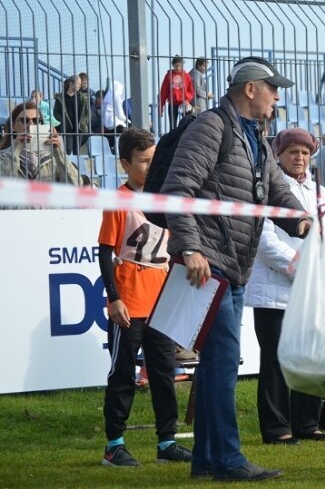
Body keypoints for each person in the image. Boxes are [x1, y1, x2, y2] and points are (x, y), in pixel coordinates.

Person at [160, 56, 310, 482]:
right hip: (210, 262)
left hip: (232, 266)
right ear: (250, 89)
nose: (277, 97)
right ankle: (227, 458)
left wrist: (299, 220)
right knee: (223, 361)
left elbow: (275, 188)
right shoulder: (211, 127)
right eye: (273, 88)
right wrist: (189, 248)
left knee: (215, 364)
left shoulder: (255, 137)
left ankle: (207, 460)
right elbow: (178, 189)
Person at [98, 128, 192, 467]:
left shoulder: (163, 198)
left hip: (161, 298)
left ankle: (167, 442)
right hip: (130, 300)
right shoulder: (120, 200)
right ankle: (114, 445)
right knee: (122, 374)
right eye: (143, 161)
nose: (150, 168)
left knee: (164, 373)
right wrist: (114, 298)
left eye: (154, 160)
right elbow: (105, 252)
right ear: (125, 163)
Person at [244, 127, 325, 445]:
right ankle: (276, 427)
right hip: (275, 290)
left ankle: (307, 423)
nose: (299, 158)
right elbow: (264, 242)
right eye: (292, 152)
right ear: (278, 156)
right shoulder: (268, 188)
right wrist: (302, 267)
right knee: (275, 360)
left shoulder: (320, 192)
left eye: (304, 152)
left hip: (312, 288)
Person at [0, 101, 80, 185]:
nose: (31, 124)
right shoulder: (3, 156)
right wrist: (16, 149)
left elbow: (75, 185)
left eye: (36, 120)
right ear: (13, 126)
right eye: (25, 120)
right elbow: (3, 186)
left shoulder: (53, 158)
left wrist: (59, 153)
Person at [53, 75, 90, 155]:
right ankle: (68, 166)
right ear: (71, 83)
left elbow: (87, 113)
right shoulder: (61, 97)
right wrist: (63, 120)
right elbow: (56, 112)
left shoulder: (82, 97)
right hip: (67, 128)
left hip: (79, 128)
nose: (79, 86)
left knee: (77, 151)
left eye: (80, 84)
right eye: (78, 84)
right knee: (68, 150)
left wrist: (84, 122)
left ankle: (76, 167)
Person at [158, 55, 195, 128]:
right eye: (176, 66)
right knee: (172, 125)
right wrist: (161, 107)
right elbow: (163, 92)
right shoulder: (168, 76)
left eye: (180, 66)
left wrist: (187, 100)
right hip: (172, 104)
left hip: (184, 104)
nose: (178, 68)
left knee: (186, 123)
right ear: (173, 65)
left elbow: (191, 91)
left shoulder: (187, 76)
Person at [103, 81, 130, 155]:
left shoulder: (107, 97)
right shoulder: (116, 97)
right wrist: (128, 120)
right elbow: (120, 115)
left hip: (107, 124)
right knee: (129, 131)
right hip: (115, 123)